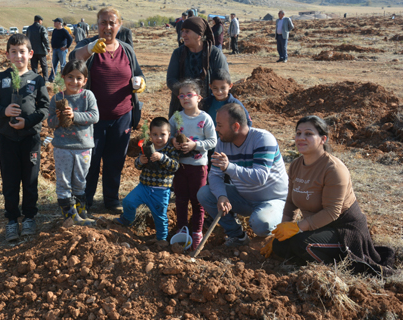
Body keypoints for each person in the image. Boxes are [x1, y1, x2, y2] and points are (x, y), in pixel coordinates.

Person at [261, 116, 396, 276]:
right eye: (298, 133)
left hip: (343, 230)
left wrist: (297, 227)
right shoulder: (296, 165)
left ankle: (342, 266)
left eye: (309, 134)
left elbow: (332, 212)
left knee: (302, 244)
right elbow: (291, 202)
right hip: (317, 227)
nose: (301, 138)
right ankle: (313, 257)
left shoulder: (334, 169)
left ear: (322, 139)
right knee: (280, 246)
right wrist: (282, 232)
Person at [70, 7, 146, 214]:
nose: (108, 27)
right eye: (103, 22)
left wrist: (140, 82)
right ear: (97, 25)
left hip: (122, 116)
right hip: (93, 118)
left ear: (119, 25)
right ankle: (85, 201)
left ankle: (111, 200)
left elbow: (138, 73)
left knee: (115, 161)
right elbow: (72, 61)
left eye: (112, 23)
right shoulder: (89, 47)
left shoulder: (127, 49)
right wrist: (90, 49)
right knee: (90, 161)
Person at [0, 34, 49, 241]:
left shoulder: (37, 79)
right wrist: (4, 111)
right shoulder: (1, 78)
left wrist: (28, 122)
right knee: (10, 181)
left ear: (30, 54)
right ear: (7, 55)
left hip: (30, 138)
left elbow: (44, 108)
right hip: (7, 139)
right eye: (13, 51)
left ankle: (30, 217)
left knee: (30, 180)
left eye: (22, 51)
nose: (18, 55)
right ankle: (12, 219)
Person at [197, 104, 288, 246]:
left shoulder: (263, 139)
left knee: (261, 223)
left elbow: (259, 178)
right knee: (205, 193)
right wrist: (222, 195)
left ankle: (276, 230)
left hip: (272, 200)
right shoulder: (222, 143)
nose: (216, 129)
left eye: (220, 125)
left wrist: (229, 167)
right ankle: (237, 236)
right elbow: (215, 175)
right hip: (244, 199)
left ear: (236, 127)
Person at [47, 60, 98, 226]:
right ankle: (70, 216)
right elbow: (50, 123)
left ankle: (81, 212)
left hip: (83, 147)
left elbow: (94, 116)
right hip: (63, 147)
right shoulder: (57, 98)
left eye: (78, 78)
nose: (74, 82)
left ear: (85, 80)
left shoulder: (87, 96)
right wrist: (58, 117)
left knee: (80, 181)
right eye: (70, 77)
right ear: (63, 78)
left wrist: (74, 115)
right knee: (64, 182)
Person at [113, 117, 179, 242]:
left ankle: (161, 239)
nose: (158, 138)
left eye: (162, 134)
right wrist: (140, 161)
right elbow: (137, 166)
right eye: (155, 134)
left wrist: (162, 157)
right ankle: (127, 220)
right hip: (143, 187)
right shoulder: (146, 147)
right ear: (150, 135)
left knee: (160, 216)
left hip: (161, 190)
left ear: (169, 135)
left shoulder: (170, 150)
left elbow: (175, 167)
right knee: (128, 202)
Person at [169, 79, 216, 250]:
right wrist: (174, 141)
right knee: (181, 199)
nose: (185, 98)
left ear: (199, 98)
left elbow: (212, 141)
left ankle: (196, 231)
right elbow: (169, 135)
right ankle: (182, 229)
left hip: (198, 166)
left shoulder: (205, 118)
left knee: (198, 200)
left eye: (190, 95)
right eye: (182, 95)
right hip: (180, 166)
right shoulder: (176, 117)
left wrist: (195, 145)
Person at [166, 17, 228, 118]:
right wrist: (187, 95)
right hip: (182, 108)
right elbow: (170, 80)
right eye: (182, 31)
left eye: (187, 31)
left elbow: (223, 81)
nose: (183, 35)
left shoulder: (215, 54)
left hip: (210, 109)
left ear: (199, 35)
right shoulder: (178, 53)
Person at [48, 18, 73, 82]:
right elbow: (52, 39)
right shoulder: (54, 30)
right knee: (54, 64)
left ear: (59, 23)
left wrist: (66, 47)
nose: (54, 23)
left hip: (61, 50)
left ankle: (63, 78)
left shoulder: (64, 31)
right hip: (55, 50)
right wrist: (52, 47)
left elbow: (70, 39)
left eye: (55, 22)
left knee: (62, 65)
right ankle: (52, 78)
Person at [26, 15, 50, 80]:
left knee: (34, 66)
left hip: (32, 51)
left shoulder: (29, 28)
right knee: (44, 65)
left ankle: (35, 79)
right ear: (39, 20)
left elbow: (27, 39)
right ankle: (45, 79)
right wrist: (48, 47)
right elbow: (45, 39)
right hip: (41, 51)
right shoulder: (41, 28)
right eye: (41, 21)